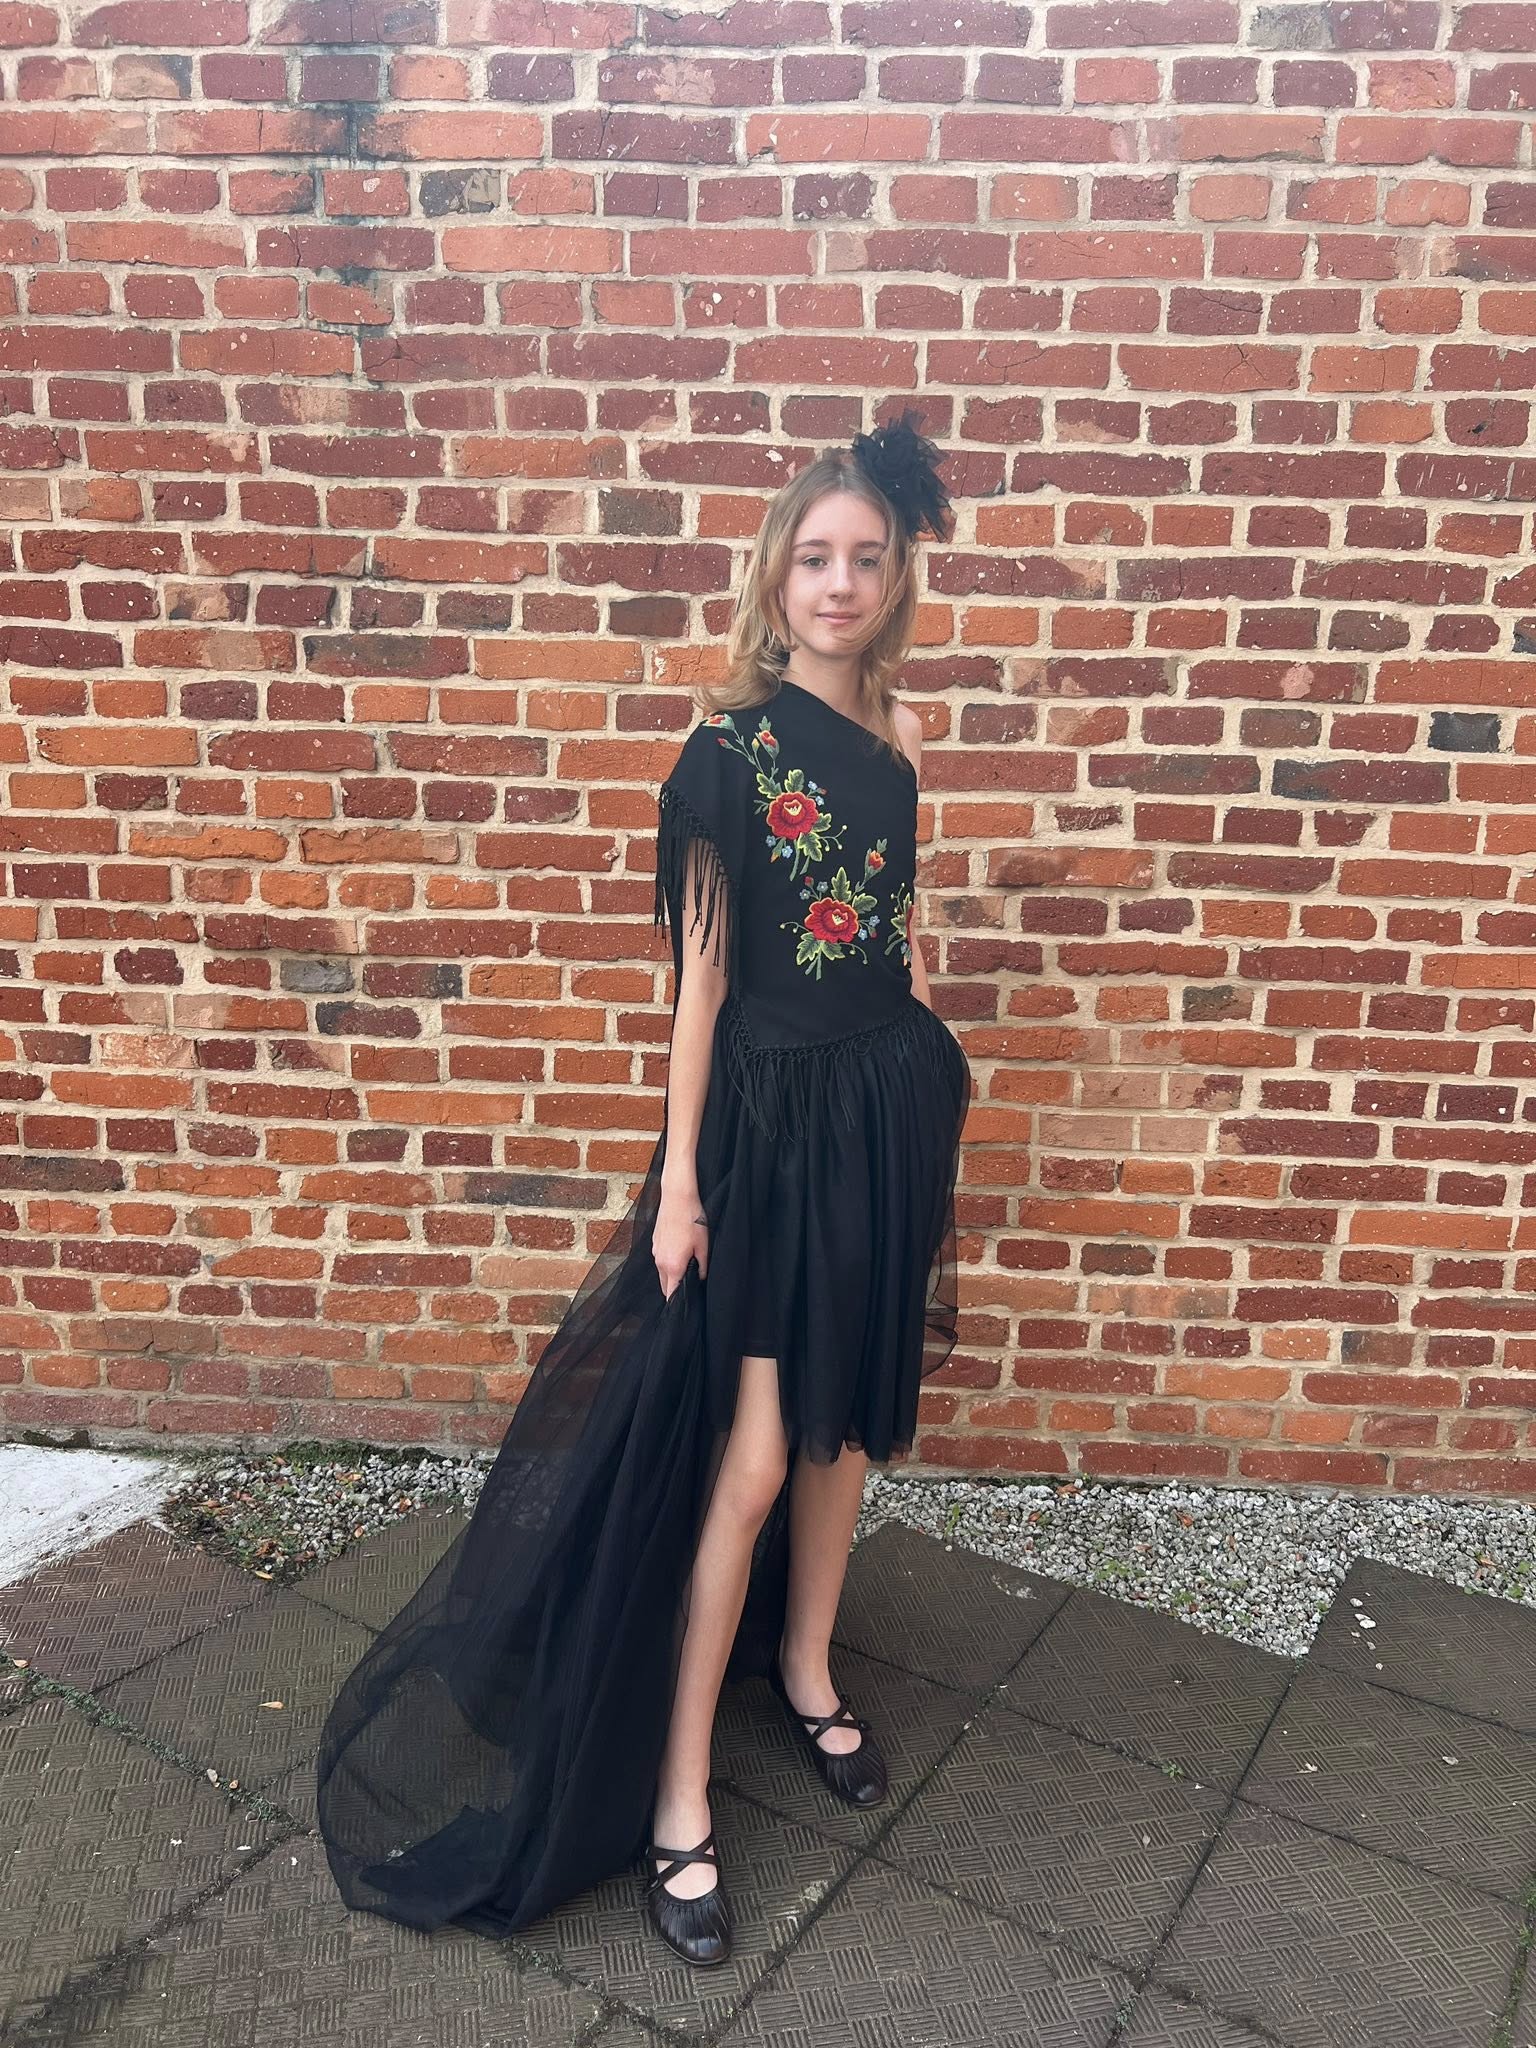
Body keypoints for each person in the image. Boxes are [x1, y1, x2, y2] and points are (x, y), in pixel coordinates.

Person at [313, 411, 972, 1973]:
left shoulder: (901, 734)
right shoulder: (724, 758)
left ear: (896, 578)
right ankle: (679, 1792)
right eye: (815, 558)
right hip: (770, 1139)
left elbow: (892, 922)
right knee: (755, 1456)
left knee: (849, 1429)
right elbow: (704, 990)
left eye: (868, 558)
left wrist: (926, 1059)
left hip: (883, 1116)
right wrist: (681, 1186)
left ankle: (806, 1667)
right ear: (775, 574)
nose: (841, 583)